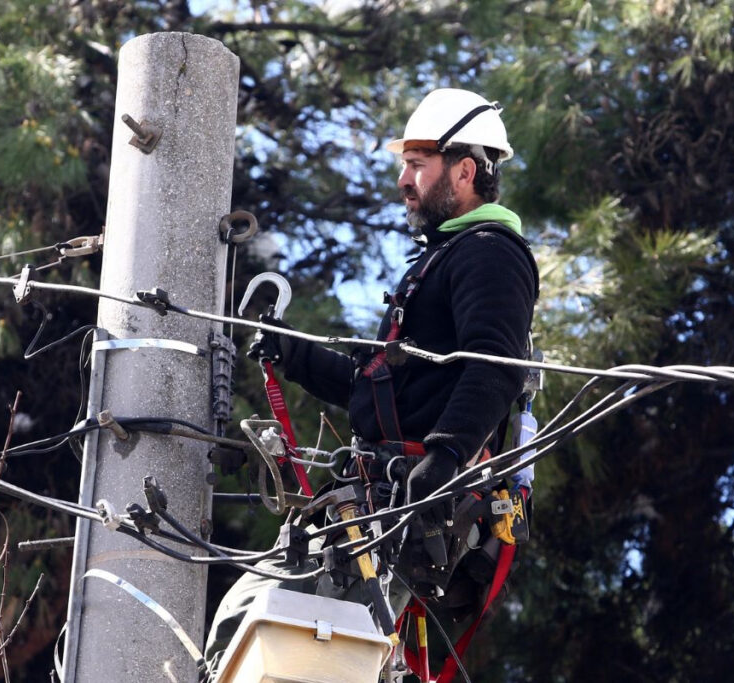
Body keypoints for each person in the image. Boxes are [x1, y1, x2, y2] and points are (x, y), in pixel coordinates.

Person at [204, 88, 538, 677]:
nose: (404, 180)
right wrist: (295, 353)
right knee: (262, 628)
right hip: (379, 500)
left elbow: (497, 364)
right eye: (403, 165)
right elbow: (381, 392)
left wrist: (445, 458)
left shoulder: (489, 253)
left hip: (408, 502)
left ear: (464, 171)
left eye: (417, 165)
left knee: (272, 621)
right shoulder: (440, 260)